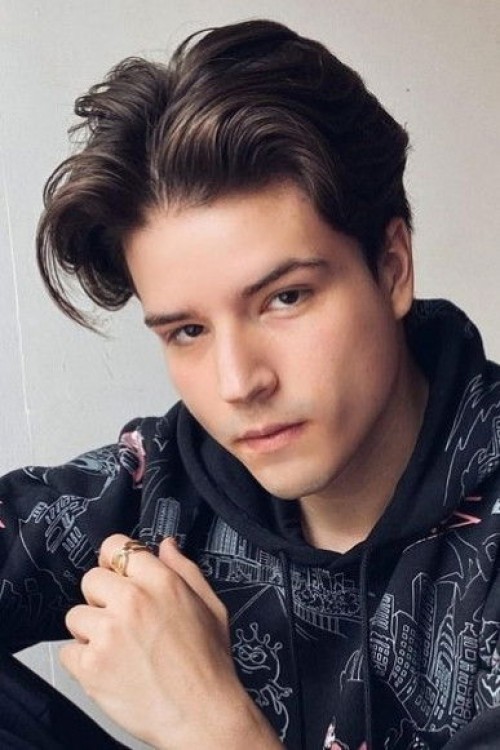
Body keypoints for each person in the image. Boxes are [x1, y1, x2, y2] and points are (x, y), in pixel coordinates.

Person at [0, 17, 499, 750]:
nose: (238, 384)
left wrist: (211, 727)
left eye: (285, 298)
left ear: (392, 268)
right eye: (187, 331)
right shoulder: (163, 482)